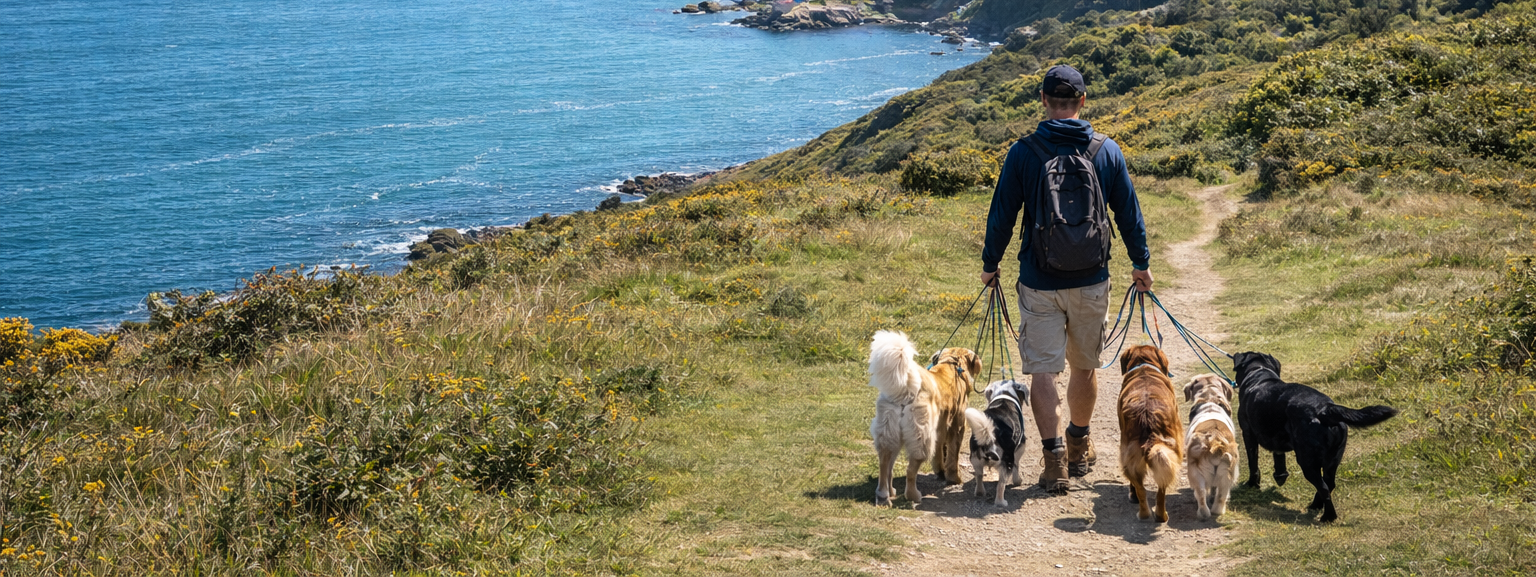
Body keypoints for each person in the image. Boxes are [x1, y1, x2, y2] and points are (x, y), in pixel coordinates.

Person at [978, 64, 1154, 494]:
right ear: (1082, 101)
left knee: (1042, 371)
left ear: (1043, 101)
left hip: (1039, 280)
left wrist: (990, 264)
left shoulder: (1024, 152)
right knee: (1085, 365)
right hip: (1092, 277)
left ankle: (1053, 458)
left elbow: (1002, 214)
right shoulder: (1105, 150)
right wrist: (1140, 262)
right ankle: (1079, 443)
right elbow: (1128, 213)